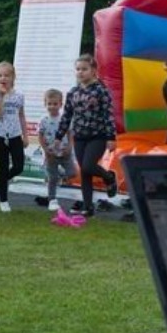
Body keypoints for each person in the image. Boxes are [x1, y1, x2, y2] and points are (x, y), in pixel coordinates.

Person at [55, 54, 119, 216]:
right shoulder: (73, 92)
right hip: (79, 136)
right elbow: (67, 116)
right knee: (85, 172)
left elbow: (108, 115)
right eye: (78, 69)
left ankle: (109, 177)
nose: (80, 72)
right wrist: (58, 136)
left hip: (98, 136)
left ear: (94, 70)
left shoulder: (101, 91)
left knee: (88, 166)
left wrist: (111, 137)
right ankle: (88, 207)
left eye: (84, 69)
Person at [0, 61, 28, 213]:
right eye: (0, 75)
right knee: (3, 167)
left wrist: (25, 135)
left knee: (18, 166)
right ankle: (4, 201)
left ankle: (2, 180)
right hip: (0, 136)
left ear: (13, 77)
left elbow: (21, 116)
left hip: (15, 135)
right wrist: (1, 96)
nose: (3, 78)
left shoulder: (19, 96)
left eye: (6, 75)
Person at [37, 88, 77, 213]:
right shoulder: (43, 120)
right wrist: (45, 150)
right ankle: (52, 199)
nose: (52, 106)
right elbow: (40, 136)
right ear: (45, 104)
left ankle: (59, 175)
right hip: (51, 154)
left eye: (55, 104)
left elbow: (70, 133)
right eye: (49, 104)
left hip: (65, 152)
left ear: (61, 104)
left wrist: (70, 146)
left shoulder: (64, 119)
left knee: (72, 173)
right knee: (52, 179)